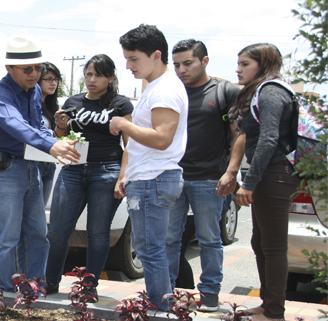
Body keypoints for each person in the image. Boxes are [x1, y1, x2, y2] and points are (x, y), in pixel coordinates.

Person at [0, 36, 80, 292]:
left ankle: (35, 286)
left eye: (38, 68)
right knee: (7, 238)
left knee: (37, 233)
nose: (35, 74)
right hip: (3, 171)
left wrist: (59, 141)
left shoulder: (34, 90)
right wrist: (51, 145)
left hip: (29, 168)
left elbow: (36, 126)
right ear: (9, 68)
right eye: (27, 69)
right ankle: (8, 289)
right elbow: (17, 126)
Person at [110, 24, 189, 311]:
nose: (128, 65)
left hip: (153, 180)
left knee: (151, 251)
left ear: (156, 55)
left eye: (133, 58)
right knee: (152, 249)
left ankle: (160, 309)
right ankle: (163, 305)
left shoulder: (165, 89)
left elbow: (162, 138)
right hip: (147, 179)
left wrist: (123, 124)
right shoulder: (156, 86)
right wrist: (126, 174)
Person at [45, 54, 133, 300]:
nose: (92, 80)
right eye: (88, 74)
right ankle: (50, 281)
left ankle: (89, 286)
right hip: (73, 169)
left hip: (106, 170)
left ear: (111, 77)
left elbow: (130, 145)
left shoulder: (120, 104)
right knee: (59, 230)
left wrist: (122, 177)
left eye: (98, 75)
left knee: (98, 231)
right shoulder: (73, 101)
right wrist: (61, 125)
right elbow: (61, 139)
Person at [165, 39, 243, 312]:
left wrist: (231, 172)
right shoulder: (172, 91)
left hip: (210, 178)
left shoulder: (225, 91)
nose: (181, 69)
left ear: (204, 61)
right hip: (172, 177)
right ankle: (168, 291)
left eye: (188, 63)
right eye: (176, 65)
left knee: (210, 239)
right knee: (169, 240)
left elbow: (239, 135)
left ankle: (209, 293)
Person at [230, 43, 300, 321]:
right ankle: (267, 303)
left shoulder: (271, 91)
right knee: (260, 243)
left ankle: (274, 313)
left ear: (263, 64)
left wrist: (249, 183)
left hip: (275, 175)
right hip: (270, 174)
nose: (238, 69)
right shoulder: (265, 91)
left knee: (272, 246)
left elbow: (269, 139)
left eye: (245, 63)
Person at [36, 62, 61, 204]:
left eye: (56, 79)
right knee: (32, 215)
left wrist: (62, 125)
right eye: (49, 79)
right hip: (34, 163)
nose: (53, 83)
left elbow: (56, 138)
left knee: (39, 212)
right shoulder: (29, 105)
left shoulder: (52, 107)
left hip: (49, 164)